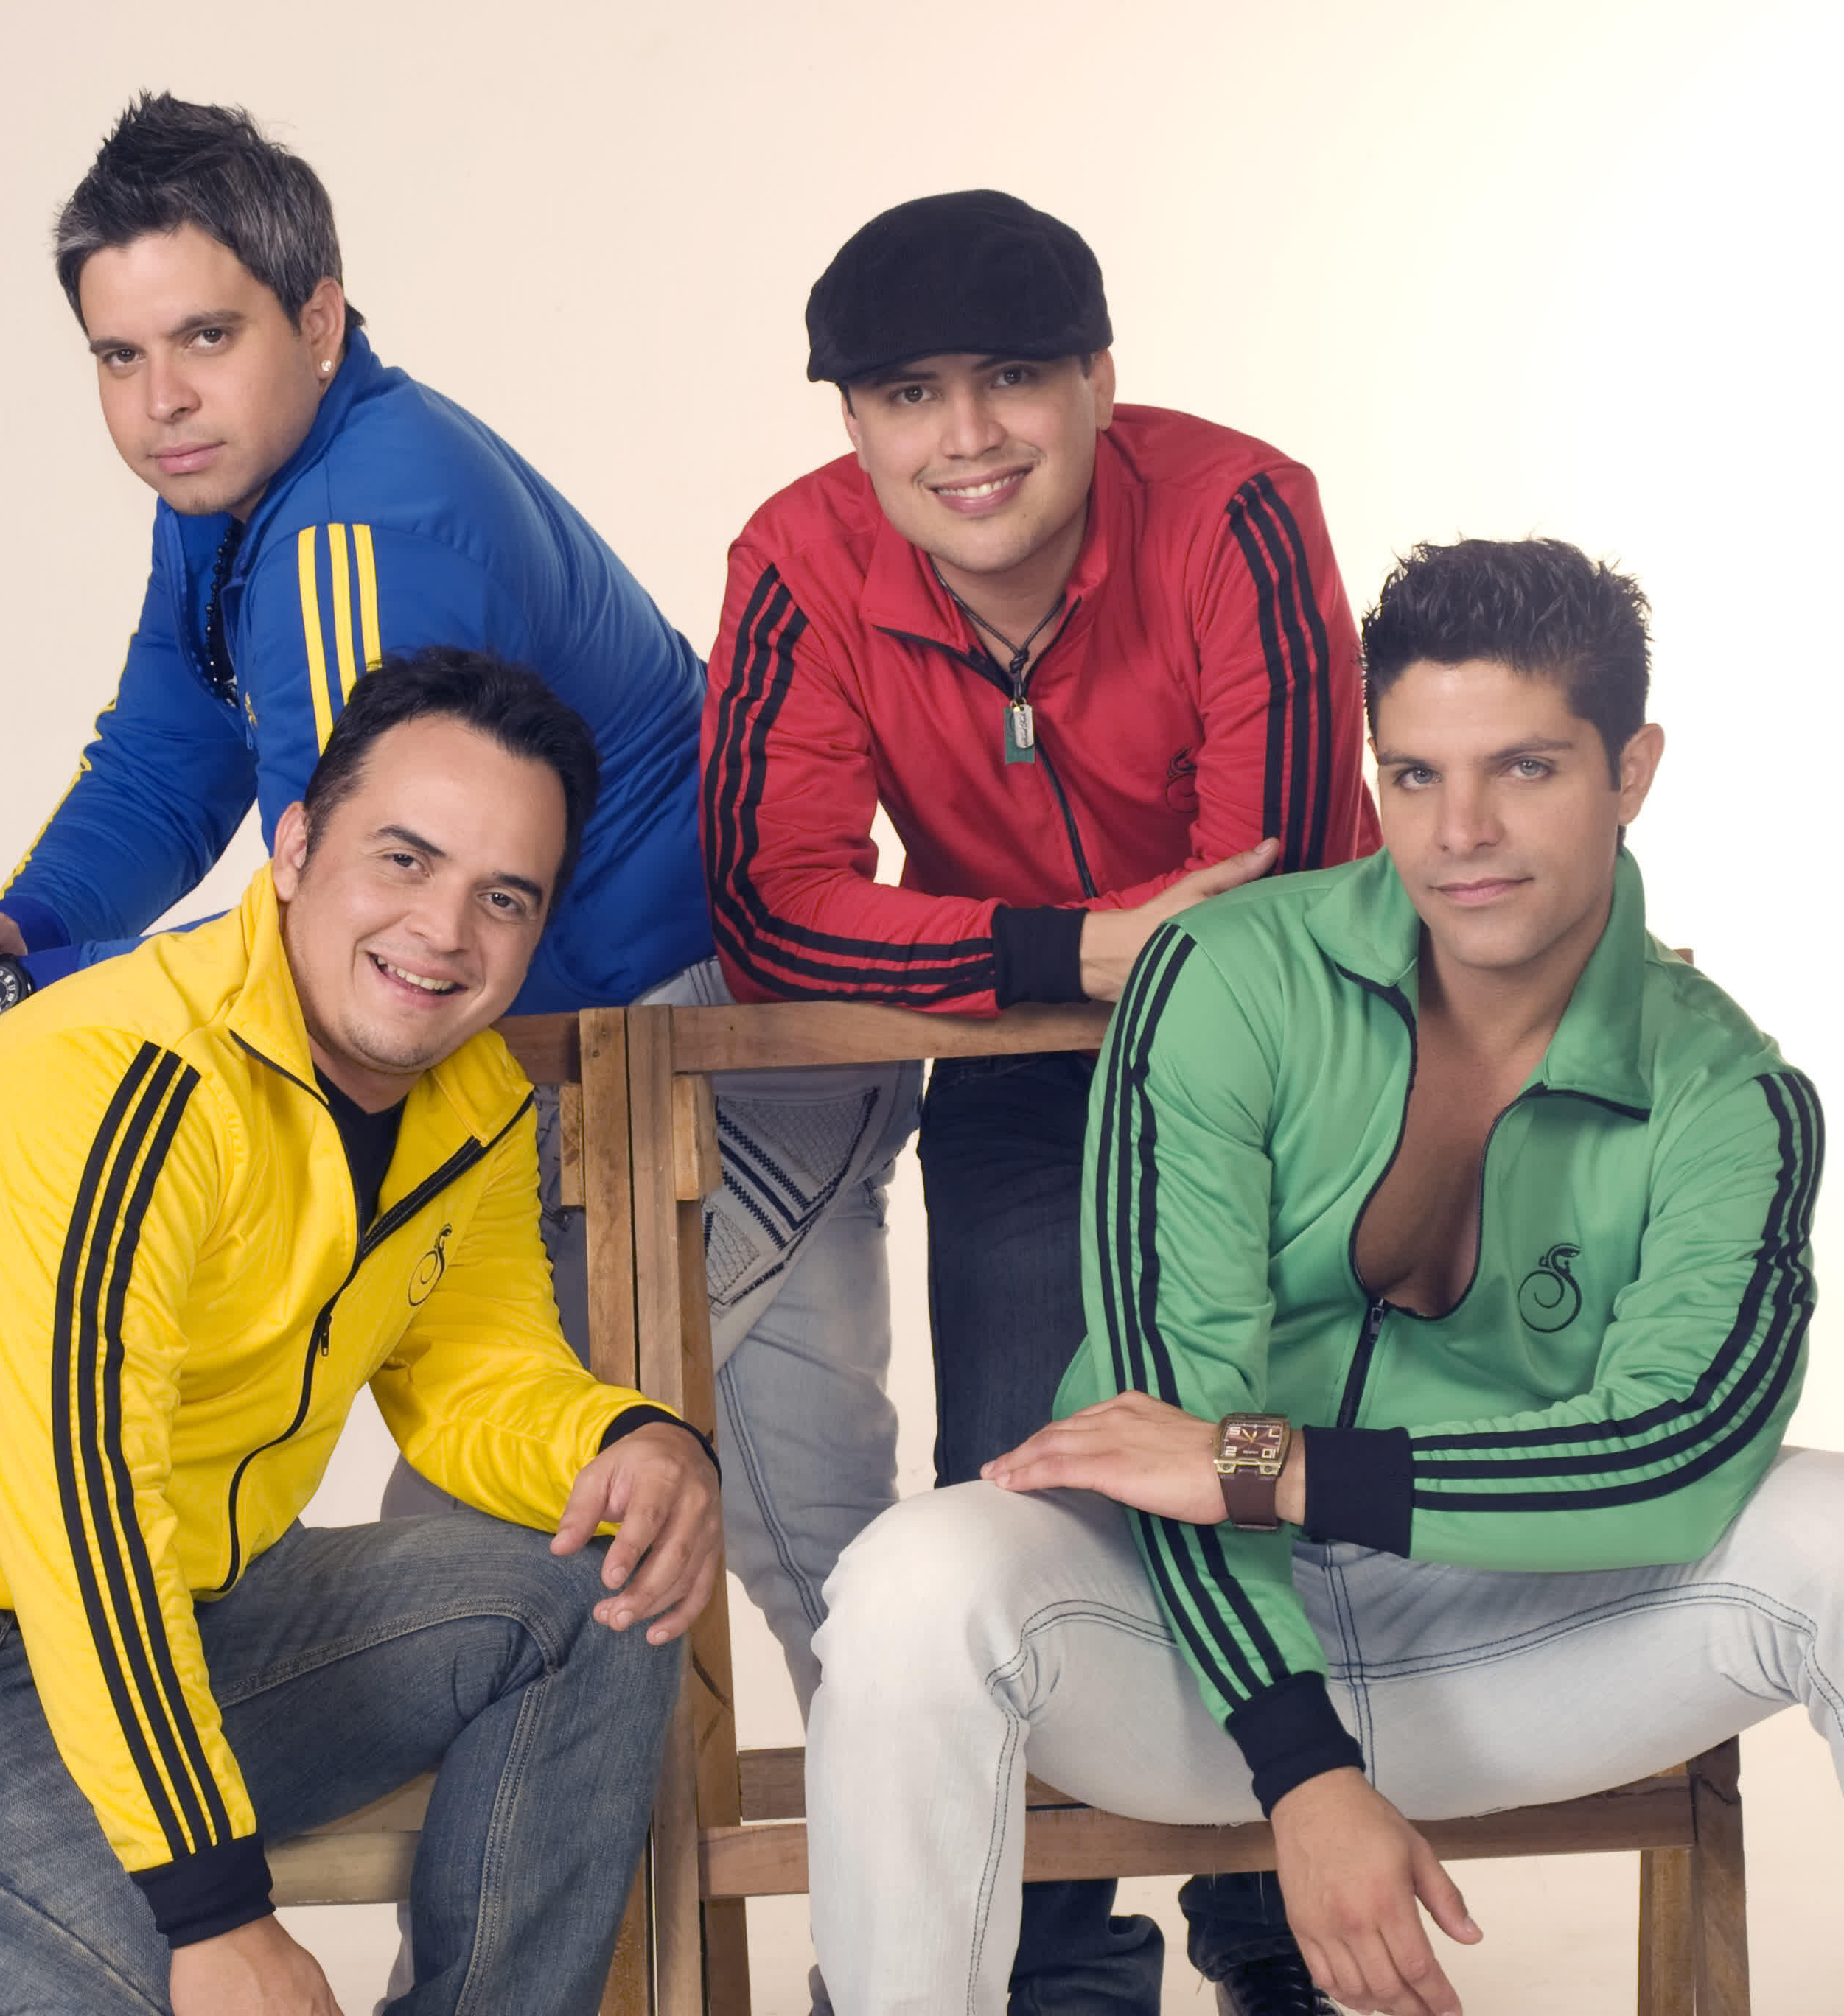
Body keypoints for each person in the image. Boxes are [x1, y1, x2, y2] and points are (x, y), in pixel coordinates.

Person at [0, 92, 910, 1709]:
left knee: (544, 1566)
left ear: (319, 320)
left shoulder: (359, 522)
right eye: (119, 355)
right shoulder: (234, 481)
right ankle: (998, 1868)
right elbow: (166, 759)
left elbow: (345, 929)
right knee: (747, 1565)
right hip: (582, 1044)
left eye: (205, 337)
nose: (161, 400)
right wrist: (7, 945)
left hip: (701, 1049)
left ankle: (991, 1853)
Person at [805, 536, 1842, 2016]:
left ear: (1633, 771)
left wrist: (1271, 1464)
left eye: (1526, 768)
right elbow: (1163, 1429)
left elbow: (1677, 1451)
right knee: (914, 1581)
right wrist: (1303, 1771)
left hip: (1515, 1636)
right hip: (1178, 1650)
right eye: (1415, 775)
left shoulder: (1729, 1092)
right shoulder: (1227, 978)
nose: (1461, 832)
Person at [702, 189, 1377, 2010]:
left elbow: (1274, 891)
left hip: (1286, 1073)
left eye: (1010, 377)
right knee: (1018, 1491)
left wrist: (1046, 950)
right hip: (1022, 1063)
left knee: (1248, 1468)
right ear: (855, 422)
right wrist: (1061, 949)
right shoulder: (797, 557)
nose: (967, 436)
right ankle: (1050, 1975)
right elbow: (772, 906)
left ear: (1097, 379)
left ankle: (1275, 1937)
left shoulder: (1239, 508)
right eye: (908, 394)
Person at [0, 649, 722, 2016]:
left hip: (202, 1617)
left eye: (503, 896)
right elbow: (87, 1520)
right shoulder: (103, 1083)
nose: (444, 931)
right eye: (404, 860)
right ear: (295, 847)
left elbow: (479, 1373)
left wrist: (635, 1439)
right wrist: (213, 1910)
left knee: (604, 1596)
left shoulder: (469, 1098)